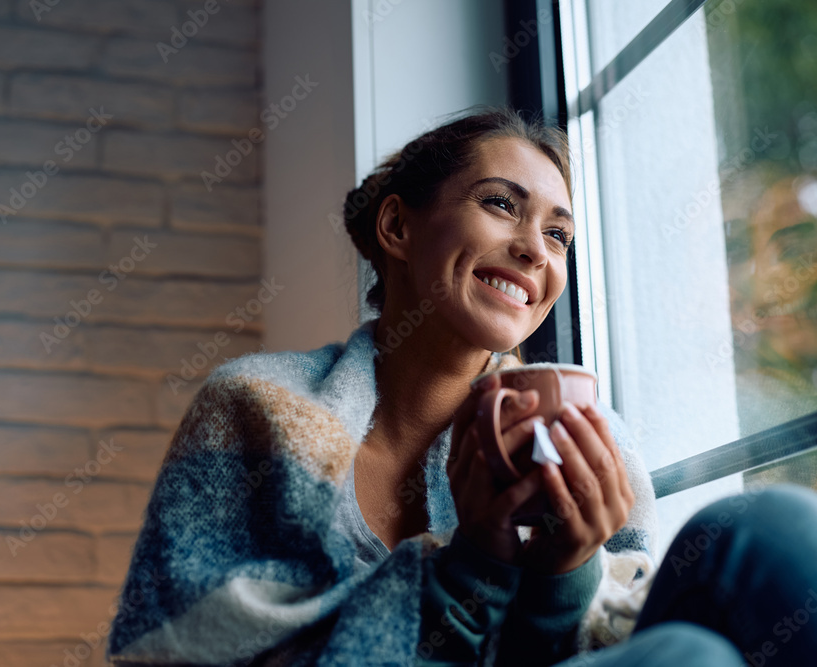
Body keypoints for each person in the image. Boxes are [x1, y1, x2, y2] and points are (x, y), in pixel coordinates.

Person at [106, 107, 817, 666]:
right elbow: (174, 650)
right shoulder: (256, 410)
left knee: (754, 529)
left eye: (560, 235)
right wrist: (469, 565)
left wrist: (563, 572)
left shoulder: (595, 443)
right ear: (397, 227)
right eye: (502, 204)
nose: (537, 249)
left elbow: (571, 647)